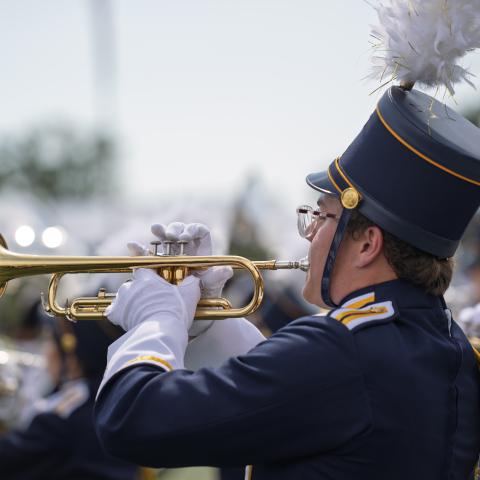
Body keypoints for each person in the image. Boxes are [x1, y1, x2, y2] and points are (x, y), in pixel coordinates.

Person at [94, 79, 480, 479]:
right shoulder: (449, 346)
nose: (310, 233)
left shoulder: (343, 349)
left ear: (367, 244)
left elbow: (131, 419)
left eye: (323, 216)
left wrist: (157, 320)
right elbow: (294, 394)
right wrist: (206, 322)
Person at [0, 315, 139, 480]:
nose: (47, 352)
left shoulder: (68, 417)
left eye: (50, 340)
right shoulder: (111, 400)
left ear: (72, 359)